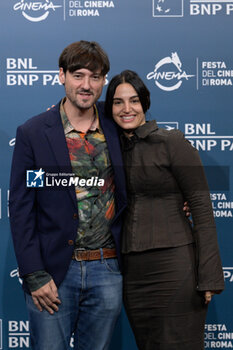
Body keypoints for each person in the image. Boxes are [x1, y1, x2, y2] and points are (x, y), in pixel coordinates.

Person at [9, 41, 127, 350]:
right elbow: (22, 207)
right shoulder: (34, 133)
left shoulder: (118, 126)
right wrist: (33, 273)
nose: (86, 85)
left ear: (104, 81)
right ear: (62, 76)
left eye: (96, 76)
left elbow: (151, 167)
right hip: (54, 272)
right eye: (78, 75)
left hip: (107, 269)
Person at [105, 70, 225, 350]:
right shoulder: (109, 149)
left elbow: (202, 209)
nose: (127, 109)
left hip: (175, 267)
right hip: (133, 273)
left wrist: (209, 277)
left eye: (134, 100)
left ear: (145, 103)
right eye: (118, 102)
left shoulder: (172, 142)